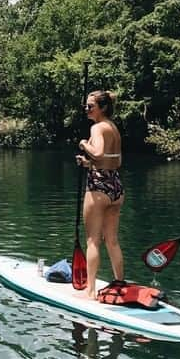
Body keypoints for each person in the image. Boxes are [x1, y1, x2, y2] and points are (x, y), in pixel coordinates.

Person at [75, 90, 124, 299]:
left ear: (102, 108)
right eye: (86, 106)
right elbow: (115, 161)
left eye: (90, 106)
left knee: (93, 241)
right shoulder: (113, 128)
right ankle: (120, 282)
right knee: (112, 240)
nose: (86, 109)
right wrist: (89, 164)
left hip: (99, 188)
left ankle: (91, 290)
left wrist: (84, 145)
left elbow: (99, 153)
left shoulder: (97, 127)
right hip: (116, 187)